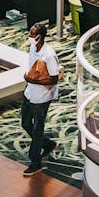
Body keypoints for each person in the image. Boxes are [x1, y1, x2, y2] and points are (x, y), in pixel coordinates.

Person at [21, 21, 60, 176]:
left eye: (32, 33)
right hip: (29, 93)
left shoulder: (49, 55)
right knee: (25, 123)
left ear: (39, 36)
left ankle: (35, 161)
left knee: (37, 129)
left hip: (42, 98)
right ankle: (48, 144)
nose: (29, 35)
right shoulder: (32, 47)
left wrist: (33, 81)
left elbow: (54, 79)